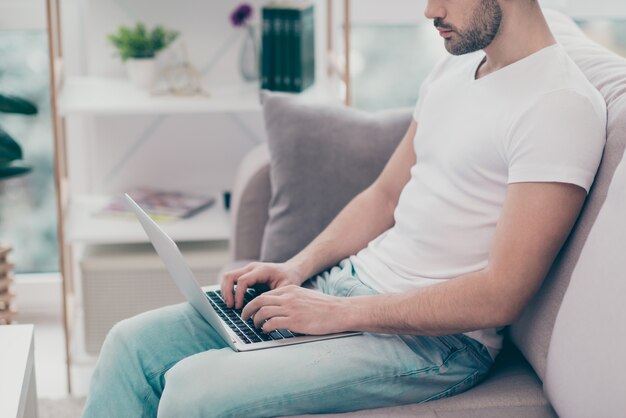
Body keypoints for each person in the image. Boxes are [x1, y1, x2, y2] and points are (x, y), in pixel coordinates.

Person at [82, 1, 606, 417]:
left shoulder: (558, 106)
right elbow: (384, 195)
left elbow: (501, 295)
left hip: (436, 344)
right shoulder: (457, 71)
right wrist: (296, 269)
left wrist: (339, 315)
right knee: (131, 346)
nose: (429, 10)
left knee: (193, 391)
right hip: (346, 285)